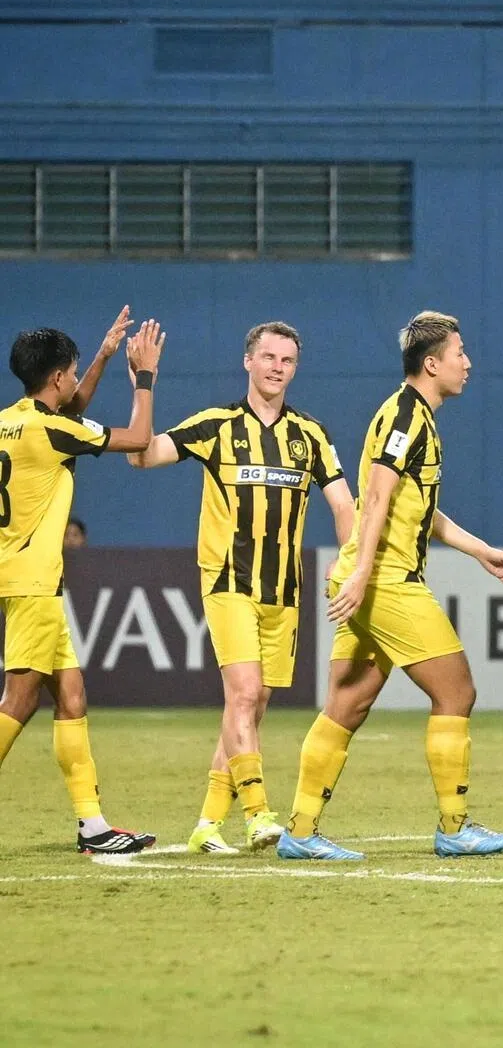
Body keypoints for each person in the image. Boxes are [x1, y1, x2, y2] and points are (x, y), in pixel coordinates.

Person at [276, 310, 503, 861]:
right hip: (385, 581)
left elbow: (420, 509)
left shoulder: (416, 416)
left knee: (348, 701)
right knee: (456, 691)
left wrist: (481, 550)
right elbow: (380, 495)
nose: (468, 362)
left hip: (368, 576)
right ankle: (455, 827)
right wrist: (365, 571)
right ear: (432, 363)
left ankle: (299, 831)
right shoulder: (407, 417)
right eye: (460, 353)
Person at [128, 322, 355, 855]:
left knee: (248, 709)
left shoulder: (312, 435)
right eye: (269, 357)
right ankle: (258, 816)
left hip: (285, 590)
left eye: (288, 360)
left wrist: (348, 561)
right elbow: (141, 455)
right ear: (247, 362)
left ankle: (207, 825)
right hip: (228, 581)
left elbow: (345, 506)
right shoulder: (215, 425)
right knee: (244, 694)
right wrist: (145, 379)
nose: (278, 367)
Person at [0, 309, 163, 853]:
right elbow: (139, 436)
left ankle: (93, 828)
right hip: (33, 584)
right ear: (55, 378)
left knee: (72, 699)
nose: (74, 380)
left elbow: (69, 416)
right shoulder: (50, 429)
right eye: (71, 371)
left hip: (24, 580)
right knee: (17, 704)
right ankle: (93, 827)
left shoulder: (14, 421)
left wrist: (101, 355)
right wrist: (143, 375)